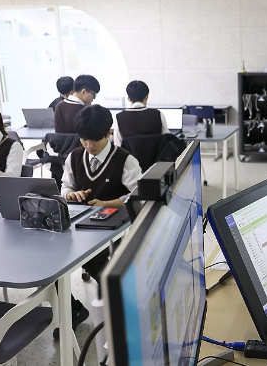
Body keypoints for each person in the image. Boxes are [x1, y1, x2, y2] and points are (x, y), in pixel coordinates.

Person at [53, 104, 141, 340]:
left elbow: (139, 195)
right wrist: (71, 195)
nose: (89, 146)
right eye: (84, 139)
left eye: (95, 140)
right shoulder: (74, 157)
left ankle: (119, 300)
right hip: (81, 224)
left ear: (108, 133)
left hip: (113, 227)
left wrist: (107, 203)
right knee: (51, 258)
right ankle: (72, 309)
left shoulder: (125, 160)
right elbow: (65, 186)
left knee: (95, 261)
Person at [113, 80, 169, 147]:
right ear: (147, 97)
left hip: (128, 154)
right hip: (157, 154)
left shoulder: (120, 118)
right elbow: (168, 140)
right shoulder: (158, 114)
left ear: (129, 99)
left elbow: (117, 145)